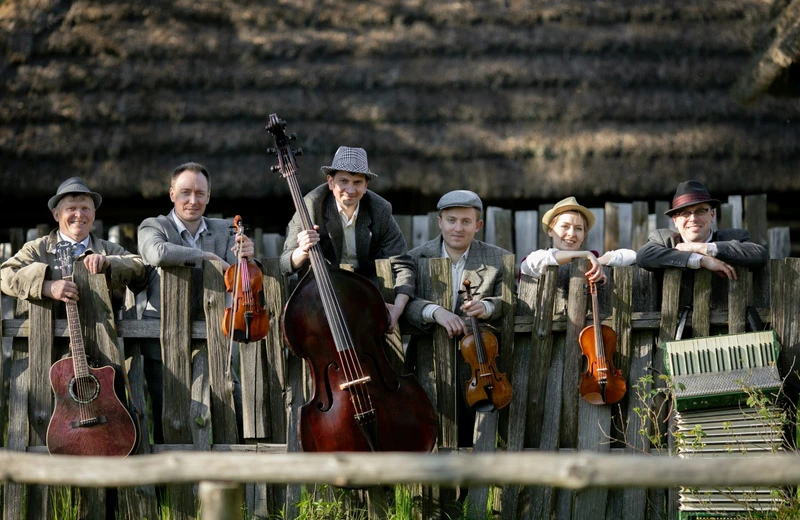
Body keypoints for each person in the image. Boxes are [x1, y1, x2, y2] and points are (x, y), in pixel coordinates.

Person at [137, 162, 254, 443]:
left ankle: (231, 480)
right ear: (171, 194)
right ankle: (173, 485)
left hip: (214, 336)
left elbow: (237, 271)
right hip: (164, 341)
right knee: (171, 421)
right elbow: (157, 253)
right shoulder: (154, 226)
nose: (193, 200)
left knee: (233, 413)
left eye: (200, 193)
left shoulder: (223, 228)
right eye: (185, 192)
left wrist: (248, 257)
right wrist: (204, 257)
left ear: (209, 196)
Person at [403, 190, 510, 447]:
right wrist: (434, 311)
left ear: (478, 225)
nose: (457, 228)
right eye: (451, 220)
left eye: (466, 221)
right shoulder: (416, 257)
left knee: (475, 436)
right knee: (428, 432)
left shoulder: (498, 258)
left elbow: (510, 299)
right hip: (427, 358)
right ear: (439, 222)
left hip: (479, 365)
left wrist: (487, 306)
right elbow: (403, 301)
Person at [280, 145, 414, 330]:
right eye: (343, 181)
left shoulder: (380, 210)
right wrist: (302, 251)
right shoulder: (310, 206)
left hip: (366, 294)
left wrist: (397, 308)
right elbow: (285, 265)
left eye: (357, 182)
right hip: (322, 295)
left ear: (366, 185)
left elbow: (402, 263)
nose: (350, 189)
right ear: (330, 182)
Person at [1, 176, 146, 306]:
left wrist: (109, 263)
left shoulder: (106, 249)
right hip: (48, 335)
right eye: (71, 208)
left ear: (94, 214)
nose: (79, 215)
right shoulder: (37, 249)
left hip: (98, 335)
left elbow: (140, 267)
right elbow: (5, 275)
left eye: (85, 208)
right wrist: (46, 287)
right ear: (56, 214)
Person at [636, 180, 769, 278]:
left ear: (712, 215)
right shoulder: (664, 240)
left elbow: (760, 255)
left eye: (700, 211)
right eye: (685, 213)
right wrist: (701, 260)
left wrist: (703, 248)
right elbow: (643, 256)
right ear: (675, 221)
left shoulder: (734, 237)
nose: (693, 218)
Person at [520, 196, 636, 282]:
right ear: (550, 230)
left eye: (578, 229)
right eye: (565, 226)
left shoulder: (592, 259)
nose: (571, 233)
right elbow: (528, 265)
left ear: (584, 235)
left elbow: (632, 255)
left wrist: (594, 262)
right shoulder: (539, 257)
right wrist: (585, 255)